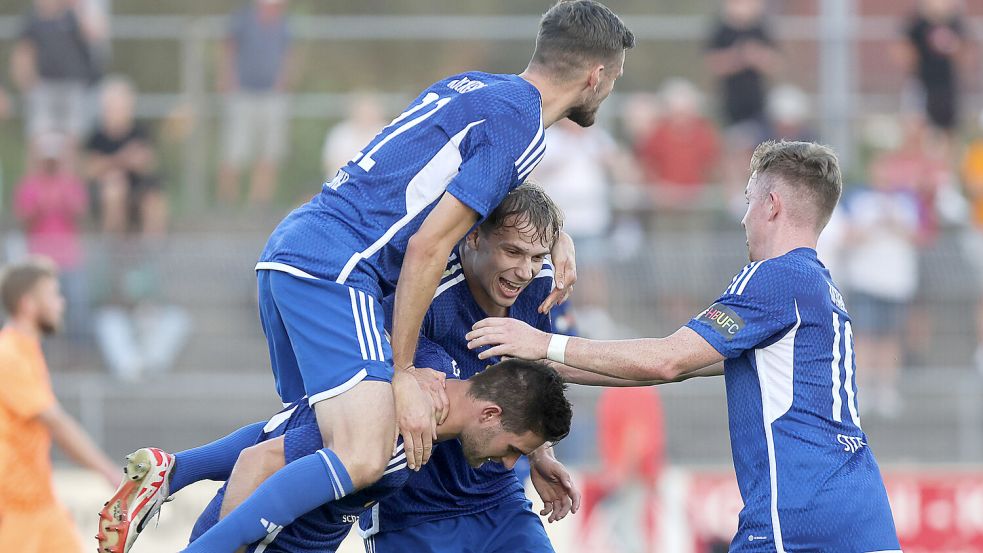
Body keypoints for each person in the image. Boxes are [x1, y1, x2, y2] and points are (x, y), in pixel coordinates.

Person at [97, 2, 634, 551]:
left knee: (299, 444)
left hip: (293, 252)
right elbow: (430, 244)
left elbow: (489, 205)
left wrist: (557, 234)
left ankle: (174, 474)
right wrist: (402, 369)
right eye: (615, 77)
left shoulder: (475, 88)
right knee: (364, 454)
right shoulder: (522, 127)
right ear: (597, 75)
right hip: (339, 269)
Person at [467, 141, 902, 552]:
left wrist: (544, 341)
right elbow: (675, 366)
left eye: (749, 199)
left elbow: (667, 360)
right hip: (862, 511)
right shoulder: (819, 288)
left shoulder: (774, 276)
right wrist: (542, 358)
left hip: (800, 516)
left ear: (772, 206)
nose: (743, 216)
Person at [0, 258, 120, 552]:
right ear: (28, 304)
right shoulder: (9, 355)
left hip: (41, 505)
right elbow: (56, 423)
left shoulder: (27, 350)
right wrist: (109, 473)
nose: (61, 303)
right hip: (14, 510)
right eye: (53, 295)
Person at [13, 132, 90, 339]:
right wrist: (42, 204)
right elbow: (24, 218)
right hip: (39, 259)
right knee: (38, 309)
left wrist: (61, 199)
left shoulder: (71, 184)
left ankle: (79, 350)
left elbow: (80, 213)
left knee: (77, 305)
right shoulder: (30, 186)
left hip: (70, 257)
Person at [217, 0, 293, 206]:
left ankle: (259, 203)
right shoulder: (243, 19)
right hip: (243, 93)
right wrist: (228, 79)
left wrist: (282, 81)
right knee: (234, 151)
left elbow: (287, 55)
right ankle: (227, 203)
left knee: (269, 152)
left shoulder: (284, 23)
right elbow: (228, 49)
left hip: (271, 96)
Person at [84, 76, 167, 237]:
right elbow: (90, 170)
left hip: (139, 186)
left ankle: (153, 250)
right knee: (114, 187)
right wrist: (123, 159)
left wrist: (111, 161)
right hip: (105, 192)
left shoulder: (141, 131)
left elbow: (147, 163)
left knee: (153, 198)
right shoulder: (97, 136)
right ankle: (113, 248)